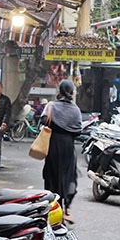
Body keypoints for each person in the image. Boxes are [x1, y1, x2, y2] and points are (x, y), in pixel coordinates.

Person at [42, 78, 82, 223]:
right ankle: (67, 208)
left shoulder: (51, 105)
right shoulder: (75, 110)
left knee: (51, 175)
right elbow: (78, 130)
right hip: (68, 147)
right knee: (69, 176)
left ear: (59, 91)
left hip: (52, 144)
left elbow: (43, 120)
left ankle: (52, 208)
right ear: (71, 92)